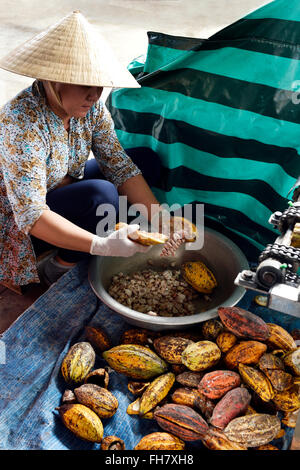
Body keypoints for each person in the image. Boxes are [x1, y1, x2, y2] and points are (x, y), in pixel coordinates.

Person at [0, 11, 164, 289]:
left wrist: (162, 219)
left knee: (144, 160)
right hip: (16, 222)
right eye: (84, 84)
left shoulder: (90, 108)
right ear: (53, 80)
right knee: (102, 196)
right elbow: (31, 214)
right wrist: (101, 245)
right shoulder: (20, 123)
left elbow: (118, 164)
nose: (95, 94)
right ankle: (57, 266)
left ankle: (112, 232)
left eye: (98, 84)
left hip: (57, 186)